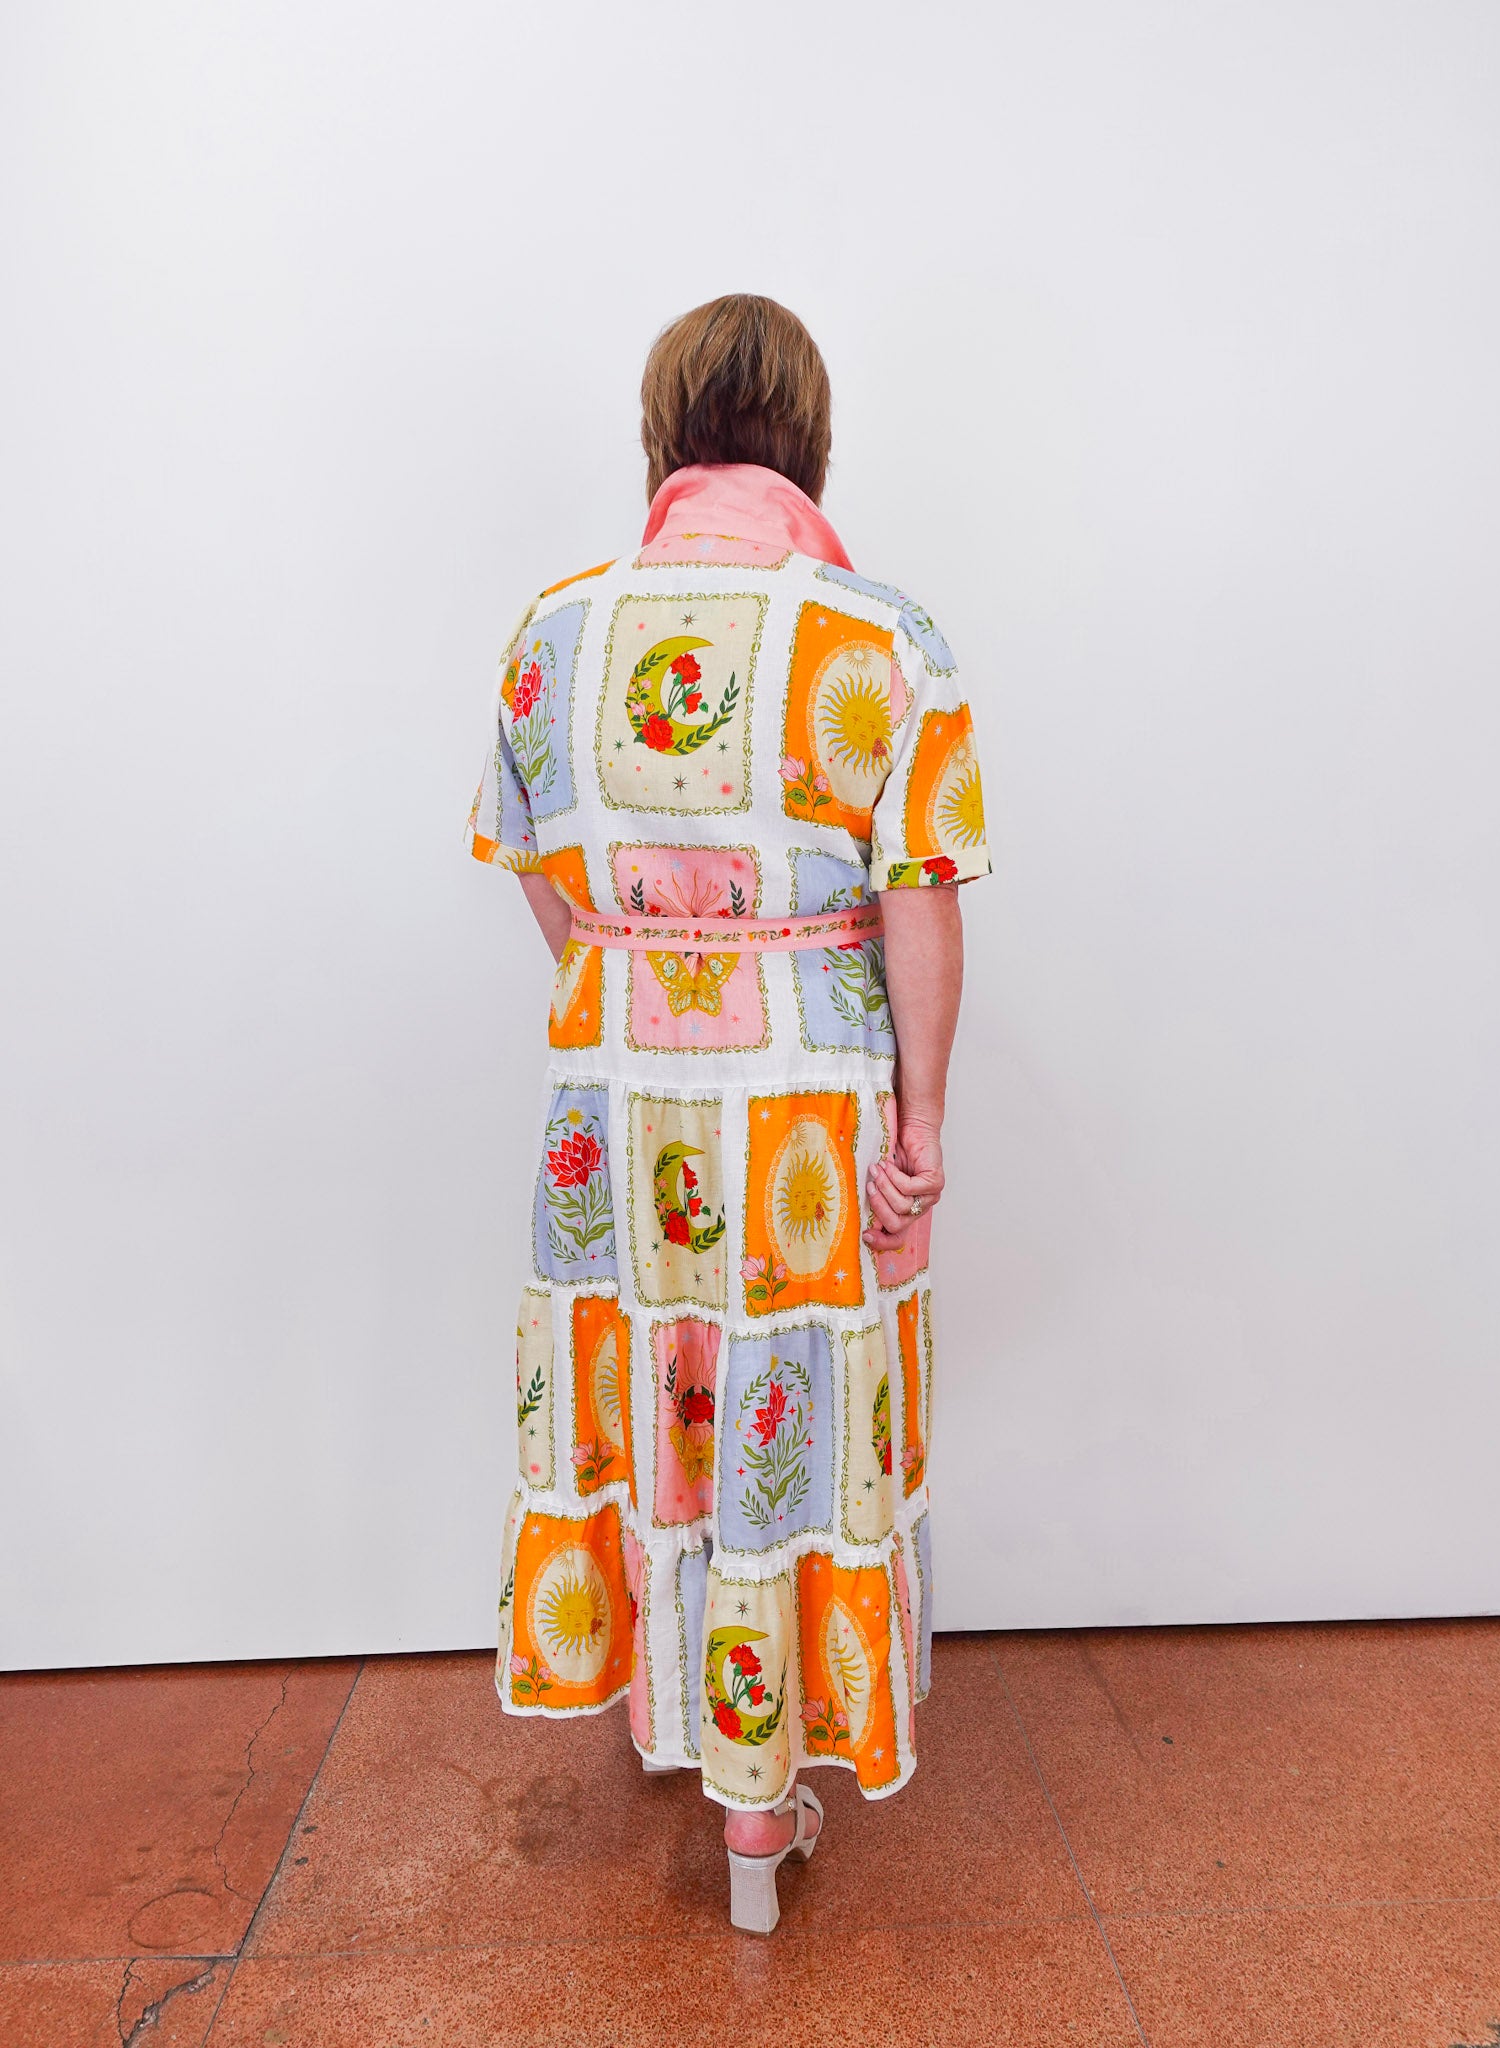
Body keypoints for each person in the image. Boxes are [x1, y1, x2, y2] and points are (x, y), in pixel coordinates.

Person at [466, 293, 991, 1933]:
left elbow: (547, 889)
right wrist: (922, 1122)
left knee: (655, 1391)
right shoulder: (879, 639)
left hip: (612, 1110)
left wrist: (636, 984)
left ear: (662, 429)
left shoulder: (552, 631)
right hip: (803, 1118)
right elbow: (920, 903)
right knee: (791, 1415)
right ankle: (762, 1821)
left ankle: (671, 1717)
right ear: (809, 435)